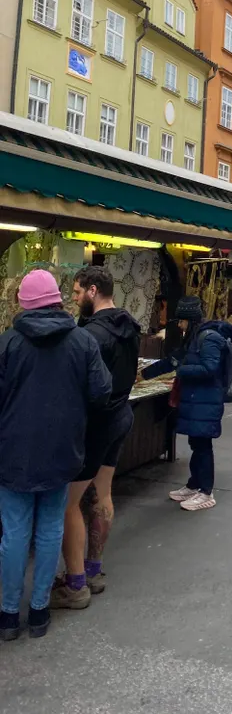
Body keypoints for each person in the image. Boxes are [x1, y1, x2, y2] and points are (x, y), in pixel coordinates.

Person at [0, 270, 111, 641]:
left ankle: (8, 615)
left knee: (15, 533)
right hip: (63, 450)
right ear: (57, 301)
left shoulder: (7, 343)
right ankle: (39, 612)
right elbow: (101, 392)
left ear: (22, 304)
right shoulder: (83, 342)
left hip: (12, 453)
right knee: (50, 530)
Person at [51, 267, 140, 610]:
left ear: (92, 291)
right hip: (121, 416)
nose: (73, 299)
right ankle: (93, 569)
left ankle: (75, 584)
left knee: (67, 504)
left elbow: (81, 387)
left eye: (76, 292)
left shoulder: (90, 335)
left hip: (95, 425)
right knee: (102, 493)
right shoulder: (129, 326)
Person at [139, 296, 232, 512]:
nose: (180, 326)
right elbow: (173, 360)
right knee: (196, 443)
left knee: (203, 445)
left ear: (190, 320)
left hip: (206, 401)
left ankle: (206, 492)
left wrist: (181, 371)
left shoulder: (208, 338)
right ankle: (194, 485)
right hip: (196, 400)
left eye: (182, 321)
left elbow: (210, 368)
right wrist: (144, 374)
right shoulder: (193, 339)